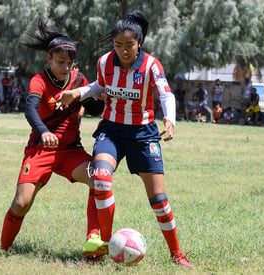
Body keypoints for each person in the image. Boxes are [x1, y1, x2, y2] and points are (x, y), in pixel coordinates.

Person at [57, 11, 194, 269]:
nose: (123, 51)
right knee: (100, 177)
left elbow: (166, 94)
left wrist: (170, 119)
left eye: (129, 45)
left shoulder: (151, 65)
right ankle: (106, 245)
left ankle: (176, 254)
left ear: (139, 43)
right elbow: (100, 86)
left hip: (143, 134)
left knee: (158, 199)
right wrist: (76, 92)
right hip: (112, 131)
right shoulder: (105, 62)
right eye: (118, 45)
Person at [0, 18, 105, 263]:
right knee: (22, 202)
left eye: (69, 63)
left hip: (71, 152)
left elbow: (94, 107)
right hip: (40, 150)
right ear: (49, 58)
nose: (65, 67)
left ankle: (93, 244)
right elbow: (30, 110)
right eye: (60, 62)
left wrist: (107, 97)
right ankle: (2, 251)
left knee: (99, 179)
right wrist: (44, 132)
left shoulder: (79, 81)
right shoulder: (39, 80)